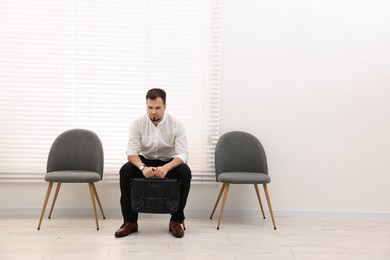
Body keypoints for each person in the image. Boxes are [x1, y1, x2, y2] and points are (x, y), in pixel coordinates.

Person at [115, 88, 192, 238]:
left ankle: (176, 220)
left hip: (168, 161)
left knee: (185, 172)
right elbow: (131, 152)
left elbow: (183, 154)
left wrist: (166, 167)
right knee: (125, 171)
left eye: (157, 108)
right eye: (150, 108)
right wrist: (143, 167)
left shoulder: (177, 124)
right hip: (145, 160)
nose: (153, 112)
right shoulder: (137, 123)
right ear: (146, 106)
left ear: (165, 106)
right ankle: (130, 222)